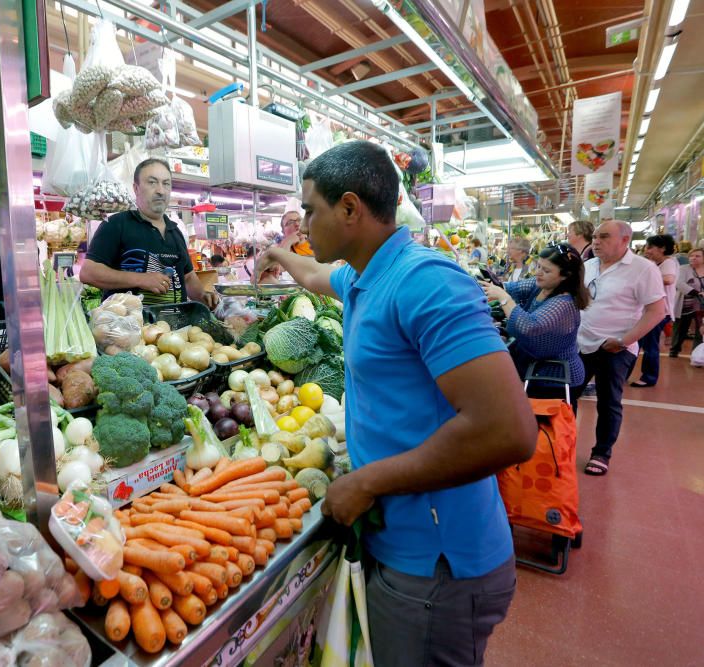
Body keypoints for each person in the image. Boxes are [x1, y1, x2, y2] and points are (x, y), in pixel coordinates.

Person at [254, 141, 535, 666]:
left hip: (437, 568)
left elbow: (509, 431)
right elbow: (317, 276)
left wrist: (365, 482)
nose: (304, 223)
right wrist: (278, 255)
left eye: (310, 211)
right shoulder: (364, 275)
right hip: (403, 551)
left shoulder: (425, 282)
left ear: (350, 208)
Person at [575, 221, 667, 476]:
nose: (596, 241)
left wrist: (625, 340)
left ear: (625, 240)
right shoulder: (589, 265)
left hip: (614, 348)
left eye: (604, 236)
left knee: (608, 401)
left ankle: (601, 453)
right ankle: (561, 445)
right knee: (568, 397)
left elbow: (657, 311)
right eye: (594, 236)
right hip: (581, 344)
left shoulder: (642, 269)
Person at [81, 159, 217, 308]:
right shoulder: (116, 224)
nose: (160, 190)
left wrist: (203, 296)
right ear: (136, 188)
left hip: (174, 329)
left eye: (166, 183)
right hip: (128, 327)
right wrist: (141, 279)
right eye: (152, 182)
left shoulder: (175, 231)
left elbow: (188, 277)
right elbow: (89, 273)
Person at [482, 243, 589, 413]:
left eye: (546, 270)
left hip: (555, 379)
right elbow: (511, 288)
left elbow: (528, 327)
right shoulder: (542, 285)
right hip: (536, 371)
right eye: (539, 266)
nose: (538, 272)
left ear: (565, 276)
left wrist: (503, 298)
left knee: (549, 433)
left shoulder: (564, 304)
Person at [632, 235, 679, 387]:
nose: (647, 250)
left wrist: (646, 276)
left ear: (662, 248)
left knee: (649, 345)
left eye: (650, 247)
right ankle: (627, 373)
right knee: (636, 343)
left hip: (659, 312)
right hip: (649, 311)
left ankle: (649, 377)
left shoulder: (668, 262)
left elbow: (669, 279)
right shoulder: (656, 264)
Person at [670, 247, 703, 357]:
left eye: (697, 256)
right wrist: (694, 292)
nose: (693, 258)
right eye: (691, 256)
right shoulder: (683, 268)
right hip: (685, 305)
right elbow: (679, 283)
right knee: (680, 329)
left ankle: (696, 354)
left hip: (701, 305)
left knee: (701, 330)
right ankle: (674, 349)